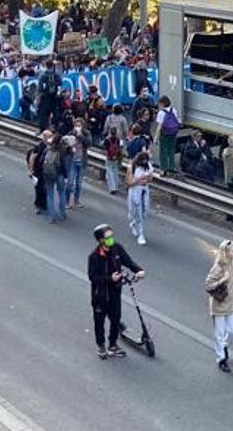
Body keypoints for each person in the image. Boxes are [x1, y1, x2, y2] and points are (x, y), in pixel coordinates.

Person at [88, 223, 143, 359]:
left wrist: (138, 270)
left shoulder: (117, 249)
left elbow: (128, 261)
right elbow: (93, 277)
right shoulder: (94, 257)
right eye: (108, 237)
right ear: (101, 240)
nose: (111, 239)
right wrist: (109, 278)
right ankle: (101, 346)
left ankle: (113, 344)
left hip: (115, 292)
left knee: (115, 319)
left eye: (112, 236)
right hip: (100, 295)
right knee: (99, 322)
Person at [205, 238, 233, 372]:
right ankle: (221, 358)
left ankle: (224, 345)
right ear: (225, 253)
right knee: (219, 333)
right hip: (219, 305)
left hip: (232, 303)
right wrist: (222, 280)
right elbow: (208, 285)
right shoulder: (218, 267)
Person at [127, 150, 156, 245]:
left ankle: (135, 223)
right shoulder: (132, 167)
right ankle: (141, 234)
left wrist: (147, 179)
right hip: (135, 191)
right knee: (136, 211)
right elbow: (129, 182)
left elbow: (151, 178)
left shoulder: (148, 165)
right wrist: (139, 180)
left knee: (145, 211)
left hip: (144, 191)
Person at [155, 96, 181, 172]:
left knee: (163, 151)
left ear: (163, 103)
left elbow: (159, 127)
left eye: (160, 104)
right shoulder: (174, 110)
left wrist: (156, 138)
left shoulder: (161, 113)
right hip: (173, 133)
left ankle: (164, 168)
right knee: (171, 150)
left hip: (164, 134)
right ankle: (172, 166)